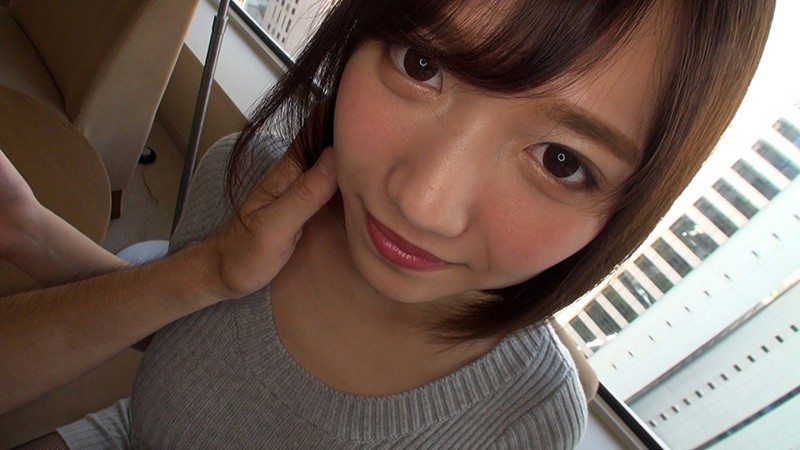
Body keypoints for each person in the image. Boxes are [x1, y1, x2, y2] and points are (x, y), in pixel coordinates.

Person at [0, 0, 774, 447]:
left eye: (561, 161)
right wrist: (31, 229)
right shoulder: (256, 175)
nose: (422, 201)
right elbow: (183, 340)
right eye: (421, 64)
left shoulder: (520, 426)